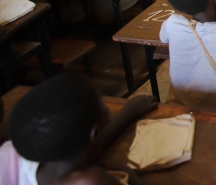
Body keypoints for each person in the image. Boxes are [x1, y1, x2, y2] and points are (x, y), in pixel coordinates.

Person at [6, 72, 157, 185]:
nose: (110, 117)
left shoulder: (16, 154)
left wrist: (127, 112)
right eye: (106, 111)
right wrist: (133, 178)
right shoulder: (89, 180)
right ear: (96, 133)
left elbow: (90, 143)